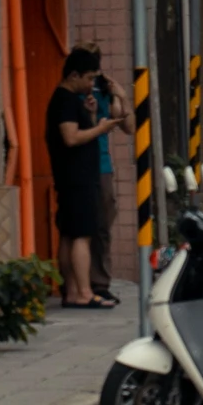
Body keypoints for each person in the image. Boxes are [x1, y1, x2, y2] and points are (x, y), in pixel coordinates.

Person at [48, 47, 128, 308]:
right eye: (89, 78)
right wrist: (101, 128)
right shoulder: (66, 101)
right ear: (73, 75)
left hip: (74, 175)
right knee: (82, 236)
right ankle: (83, 292)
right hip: (78, 177)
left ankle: (71, 291)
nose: (92, 84)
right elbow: (71, 138)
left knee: (70, 235)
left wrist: (92, 116)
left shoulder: (69, 100)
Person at [78, 43, 121, 307]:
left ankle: (101, 282)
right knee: (83, 229)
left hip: (103, 164)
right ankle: (84, 284)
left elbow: (123, 122)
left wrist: (120, 96)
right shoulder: (73, 94)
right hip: (84, 165)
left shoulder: (104, 89)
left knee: (103, 226)